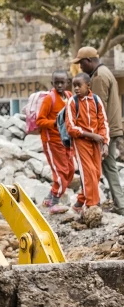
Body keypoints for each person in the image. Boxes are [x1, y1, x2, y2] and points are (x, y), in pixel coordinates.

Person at [73, 46, 124, 215]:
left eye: (81, 63)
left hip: (105, 131)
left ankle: (119, 205)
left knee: (104, 168)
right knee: (99, 168)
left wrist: (95, 136)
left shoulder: (99, 77)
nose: (80, 67)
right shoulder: (105, 72)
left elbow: (96, 110)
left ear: (88, 61)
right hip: (110, 128)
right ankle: (89, 201)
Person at [65, 73, 109, 215]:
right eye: (74, 86)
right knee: (88, 172)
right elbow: (71, 128)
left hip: (96, 142)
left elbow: (103, 123)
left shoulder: (96, 100)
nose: (76, 88)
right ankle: (92, 207)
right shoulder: (72, 102)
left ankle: (79, 203)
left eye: (79, 85)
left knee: (96, 174)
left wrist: (105, 143)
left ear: (88, 86)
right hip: (81, 141)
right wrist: (91, 135)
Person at [36, 71, 74, 213]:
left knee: (70, 170)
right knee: (60, 171)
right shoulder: (49, 99)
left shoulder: (69, 96)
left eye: (62, 82)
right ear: (52, 83)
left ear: (67, 83)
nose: (59, 85)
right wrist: (56, 123)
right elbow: (40, 120)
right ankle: (54, 203)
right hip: (52, 141)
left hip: (66, 140)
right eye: (56, 82)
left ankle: (49, 198)